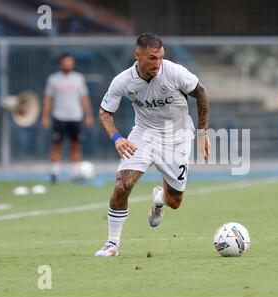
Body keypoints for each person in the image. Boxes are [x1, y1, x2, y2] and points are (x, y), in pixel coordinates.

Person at [94, 33, 211, 257]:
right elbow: (105, 112)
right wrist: (117, 137)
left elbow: (202, 94)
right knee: (122, 185)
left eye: (160, 57)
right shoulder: (123, 81)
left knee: (175, 202)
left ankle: (159, 200)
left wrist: (203, 132)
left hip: (177, 138)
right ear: (137, 55)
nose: (157, 63)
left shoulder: (175, 73)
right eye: (151, 58)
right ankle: (112, 244)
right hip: (143, 135)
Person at [42, 53, 94, 183]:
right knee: (57, 145)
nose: (68, 64)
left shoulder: (78, 78)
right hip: (59, 117)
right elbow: (48, 99)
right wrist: (45, 116)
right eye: (65, 62)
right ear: (61, 63)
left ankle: (75, 175)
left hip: (75, 117)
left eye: (70, 62)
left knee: (75, 145)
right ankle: (54, 173)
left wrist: (88, 115)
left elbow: (84, 98)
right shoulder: (53, 79)